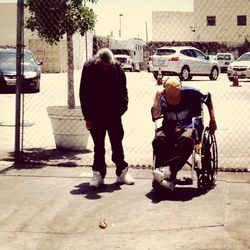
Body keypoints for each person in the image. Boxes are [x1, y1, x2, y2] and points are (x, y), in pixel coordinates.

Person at [79, 48, 134, 188]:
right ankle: (98, 174)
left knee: (117, 143)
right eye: (103, 65)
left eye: (108, 65)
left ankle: (122, 172)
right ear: (98, 61)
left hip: (113, 113)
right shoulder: (89, 67)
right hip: (96, 113)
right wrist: (87, 117)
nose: (105, 67)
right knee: (99, 146)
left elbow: (124, 92)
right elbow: (83, 93)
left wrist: (121, 110)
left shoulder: (117, 68)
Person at [151, 77, 217, 191]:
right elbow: (156, 115)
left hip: (189, 127)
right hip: (169, 129)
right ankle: (165, 176)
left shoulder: (191, 92)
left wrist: (213, 119)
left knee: (187, 141)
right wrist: (157, 94)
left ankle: (168, 171)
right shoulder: (161, 96)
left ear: (181, 89)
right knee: (158, 140)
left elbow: (208, 97)